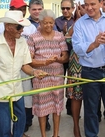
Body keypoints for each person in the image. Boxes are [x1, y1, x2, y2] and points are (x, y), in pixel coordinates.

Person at [0, 10, 47, 137]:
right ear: (8, 26)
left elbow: (24, 65)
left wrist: (34, 71)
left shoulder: (22, 43)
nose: (22, 31)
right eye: (19, 27)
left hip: (18, 91)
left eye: (22, 27)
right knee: (3, 127)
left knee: (20, 123)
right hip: (1, 94)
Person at [72, 0, 105, 137]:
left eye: (93, 4)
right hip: (89, 71)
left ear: (100, 3)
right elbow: (77, 47)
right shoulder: (80, 24)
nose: (89, 8)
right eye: (86, 5)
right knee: (91, 109)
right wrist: (94, 44)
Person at [27, 9, 69, 137]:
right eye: (45, 23)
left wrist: (61, 59)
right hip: (40, 77)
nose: (48, 25)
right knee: (42, 108)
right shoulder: (33, 37)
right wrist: (44, 63)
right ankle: (43, 135)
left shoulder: (59, 36)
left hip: (57, 76)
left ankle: (56, 134)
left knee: (57, 106)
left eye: (51, 23)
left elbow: (65, 55)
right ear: (40, 22)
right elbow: (29, 60)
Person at [65, 2, 85, 137]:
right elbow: (66, 38)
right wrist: (78, 20)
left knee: (91, 98)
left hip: (92, 65)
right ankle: (76, 126)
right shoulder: (76, 25)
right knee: (75, 97)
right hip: (75, 65)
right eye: (82, 8)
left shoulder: (96, 23)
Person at [55, 0, 75, 116]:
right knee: (59, 82)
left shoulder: (78, 20)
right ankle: (57, 107)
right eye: (63, 8)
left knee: (72, 83)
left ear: (73, 8)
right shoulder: (56, 21)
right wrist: (64, 34)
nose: (65, 10)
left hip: (74, 57)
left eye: (68, 8)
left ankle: (71, 107)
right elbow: (55, 38)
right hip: (60, 57)